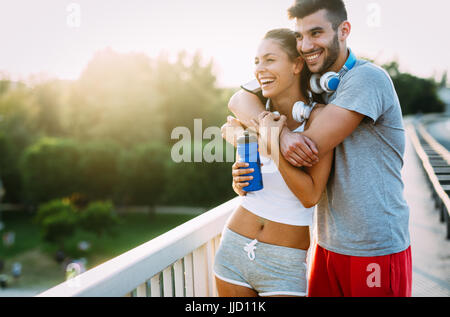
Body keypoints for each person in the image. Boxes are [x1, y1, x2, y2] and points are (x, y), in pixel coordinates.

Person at [227, 0, 412, 297]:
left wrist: (244, 136)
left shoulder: (367, 79)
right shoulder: (317, 84)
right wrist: (279, 134)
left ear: (344, 30)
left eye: (316, 33)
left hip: (373, 246)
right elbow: (239, 99)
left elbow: (307, 149)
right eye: (300, 36)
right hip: (328, 245)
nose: (306, 45)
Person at [215, 28, 334, 297]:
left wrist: (271, 143)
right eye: (256, 62)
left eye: (269, 60)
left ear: (296, 64)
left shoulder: (319, 118)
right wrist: (239, 180)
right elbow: (250, 186)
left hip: (285, 264)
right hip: (233, 250)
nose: (260, 69)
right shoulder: (257, 115)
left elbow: (310, 195)